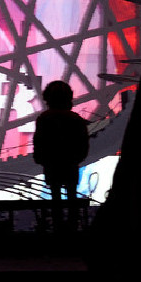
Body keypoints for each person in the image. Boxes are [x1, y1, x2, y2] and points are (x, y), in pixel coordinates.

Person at [33, 80, 89, 230]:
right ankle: (73, 227)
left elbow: (39, 142)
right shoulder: (76, 119)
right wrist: (76, 158)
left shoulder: (44, 119)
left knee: (55, 197)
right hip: (70, 164)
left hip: (52, 164)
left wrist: (43, 159)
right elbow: (83, 144)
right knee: (72, 196)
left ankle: (58, 228)